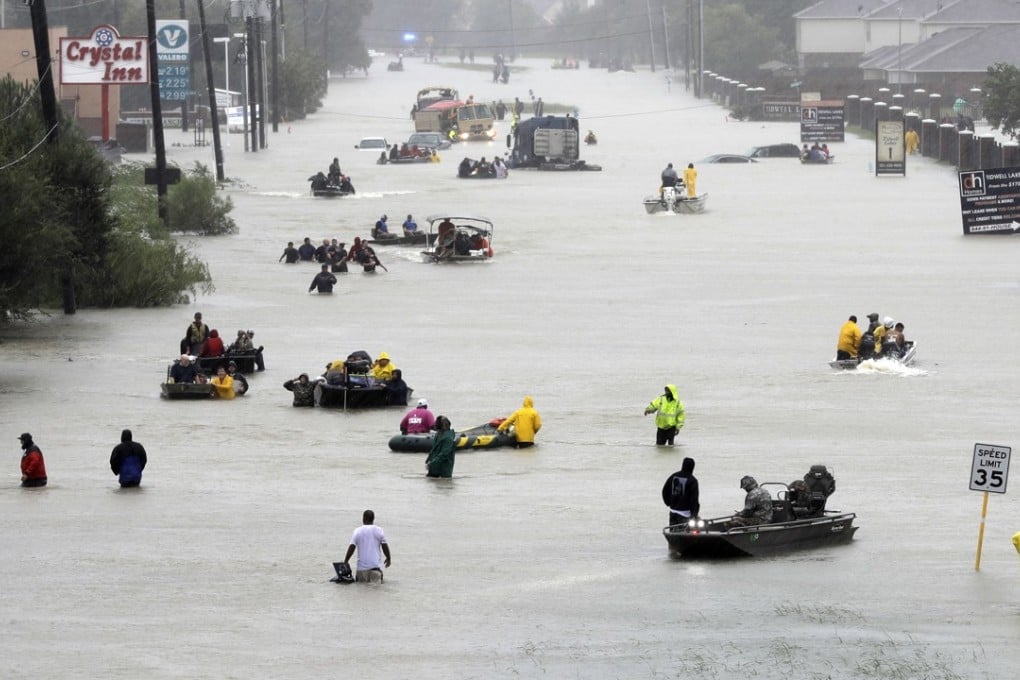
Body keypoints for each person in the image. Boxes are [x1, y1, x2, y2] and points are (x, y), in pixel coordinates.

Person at [343, 509, 391, 583]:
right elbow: (384, 546)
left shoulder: (357, 531)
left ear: (364, 518)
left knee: (361, 593)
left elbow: (351, 547)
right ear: (373, 519)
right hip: (375, 569)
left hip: (361, 570)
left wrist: (346, 561)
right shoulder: (379, 530)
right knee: (376, 593)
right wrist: (388, 558)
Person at [661, 457, 700, 527]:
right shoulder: (692, 480)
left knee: (673, 532)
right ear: (693, 467)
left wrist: (668, 503)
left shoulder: (673, 476)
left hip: (673, 512)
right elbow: (694, 499)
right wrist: (694, 515)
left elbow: (664, 491)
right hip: (685, 514)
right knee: (687, 534)